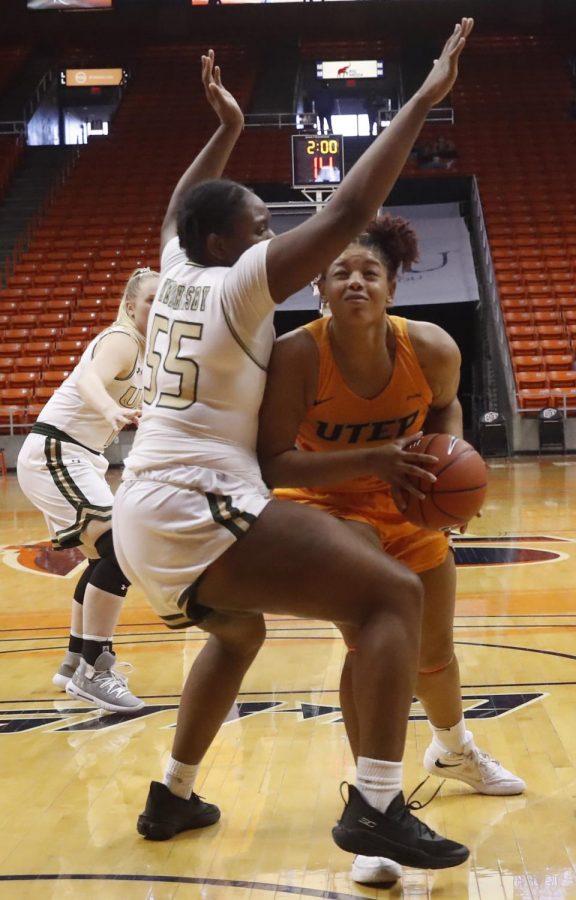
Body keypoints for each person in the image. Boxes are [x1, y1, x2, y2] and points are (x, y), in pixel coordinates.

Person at [113, 23, 475, 869]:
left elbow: (178, 204)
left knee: (238, 634)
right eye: (255, 224)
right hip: (196, 499)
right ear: (222, 245)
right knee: (390, 597)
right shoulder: (237, 281)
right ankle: (379, 805)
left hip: (147, 509)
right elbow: (350, 209)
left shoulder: (173, 265)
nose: (267, 232)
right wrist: (425, 96)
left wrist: (229, 130)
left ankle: (171, 794)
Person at [257, 213, 525, 885]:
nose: (355, 281)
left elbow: (446, 413)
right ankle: (375, 807)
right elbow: (274, 463)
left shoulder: (431, 348)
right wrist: (376, 458)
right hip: (326, 507)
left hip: (404, 502)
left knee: (433, 652)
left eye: (369, 272)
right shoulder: (297, 354)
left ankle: (453, 748)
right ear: (319, 286)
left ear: (392, 287)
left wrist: (448, 468)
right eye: (340, 272)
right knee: (373, 638)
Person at [17, 267, 159, 713]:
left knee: (102, 557)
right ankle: (96, 670)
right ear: (131, 305)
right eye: (152, 300)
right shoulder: (121, 339)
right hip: (58, 451)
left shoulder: (151, 354)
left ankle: (75, 660)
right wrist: (110, 410)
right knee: (122, 551)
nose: (159, 309)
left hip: (78, 457)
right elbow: (86, 380)